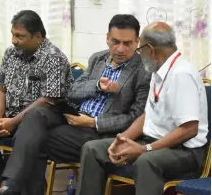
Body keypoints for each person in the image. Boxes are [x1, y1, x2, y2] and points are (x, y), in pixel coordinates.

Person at [0, 14, 152, 195]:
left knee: (32, 139)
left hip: (100, 132)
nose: (120, 49)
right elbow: (72, 91)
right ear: (107, 38)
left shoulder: (144, 71)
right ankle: (10, 186)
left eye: (127, 43)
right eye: (115, 42)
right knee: (36, 115)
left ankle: (9, 186)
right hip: (73, 119)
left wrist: (93, 122)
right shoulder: (98, 59)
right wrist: (97, 86)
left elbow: (136, 117)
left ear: (137, 42)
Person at [77, 22, 208, 195]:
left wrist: (146, 149)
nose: (139, 54)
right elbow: (148, 115)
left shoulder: (181, 74)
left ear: (151, 49)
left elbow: (189, 129)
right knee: (93, 149)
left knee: (146, 161)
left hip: (185, 152)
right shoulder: (157, 69)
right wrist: (122, 139)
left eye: (140, 49)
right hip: (152, 142)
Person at [0, 9, 73, 192]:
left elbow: (48, 99)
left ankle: (10, 187)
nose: (13, 40)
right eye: (12, 34)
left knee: (22, 137)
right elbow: (0, 87)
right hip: (10, 113)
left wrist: (13, 122)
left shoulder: (54, 58)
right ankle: (4, 185)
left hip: (42, 116)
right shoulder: (11, 53)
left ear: (38, 37)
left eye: (20, 36)